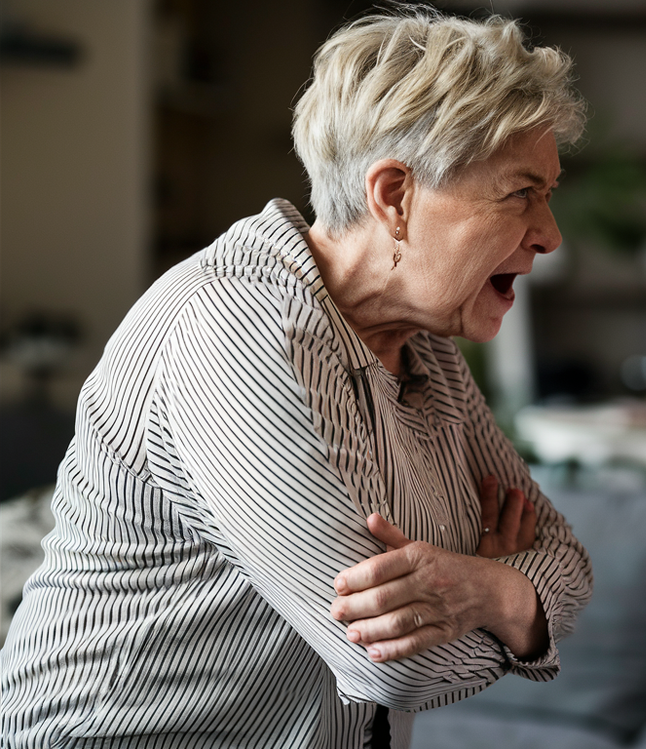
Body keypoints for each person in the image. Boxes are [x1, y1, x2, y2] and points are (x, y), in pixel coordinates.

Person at [0, 10, 591, 748]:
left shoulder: (425, 344)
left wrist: (493, 588)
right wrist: (514, 609)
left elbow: (564, 553)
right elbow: (390, 668)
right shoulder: (234, 330)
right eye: (521, 193)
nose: (550, 233)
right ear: (394, 196)